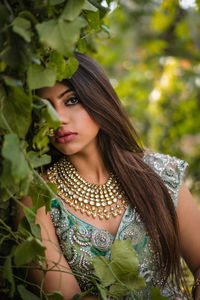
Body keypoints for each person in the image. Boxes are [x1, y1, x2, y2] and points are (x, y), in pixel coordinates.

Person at [18, 52, 200, 300]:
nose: (57, 119)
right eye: (45, 108)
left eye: (71, 100)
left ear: (97, 98)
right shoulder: (37, 197)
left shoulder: (161, 174)